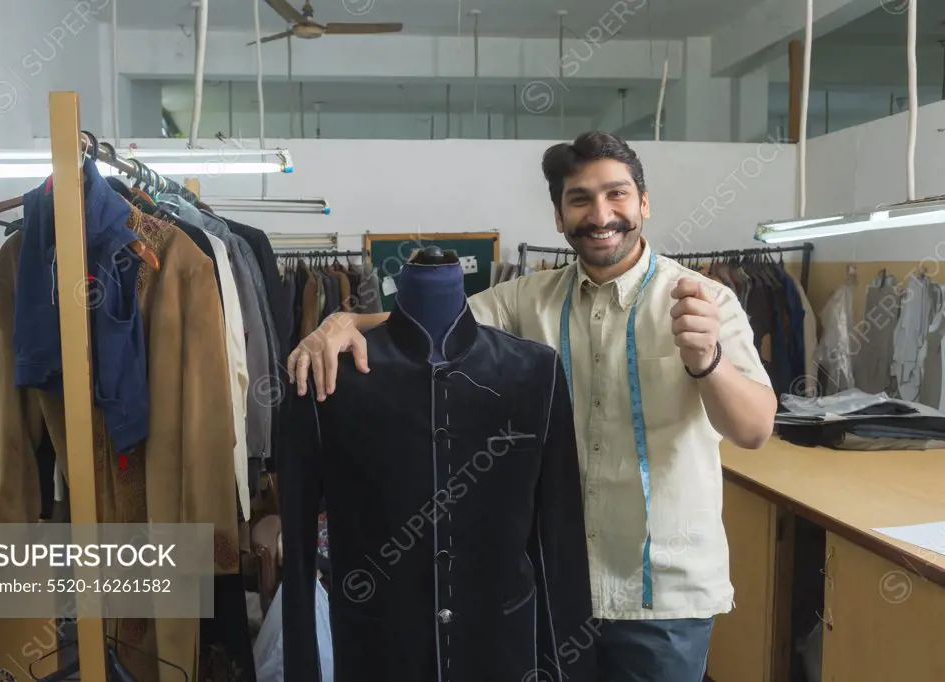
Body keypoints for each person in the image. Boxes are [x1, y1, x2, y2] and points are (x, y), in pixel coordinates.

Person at [286, 131, 778, 682]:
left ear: (644, 202)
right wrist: (343, 322)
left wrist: (708, 359)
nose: (601, 214)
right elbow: (436, 326)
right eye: (580, 199)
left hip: (662, 598)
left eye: (616, 195)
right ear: (559, 217)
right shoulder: (527, 299)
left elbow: (755, 429)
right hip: (557, 592)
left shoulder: (703, 302)